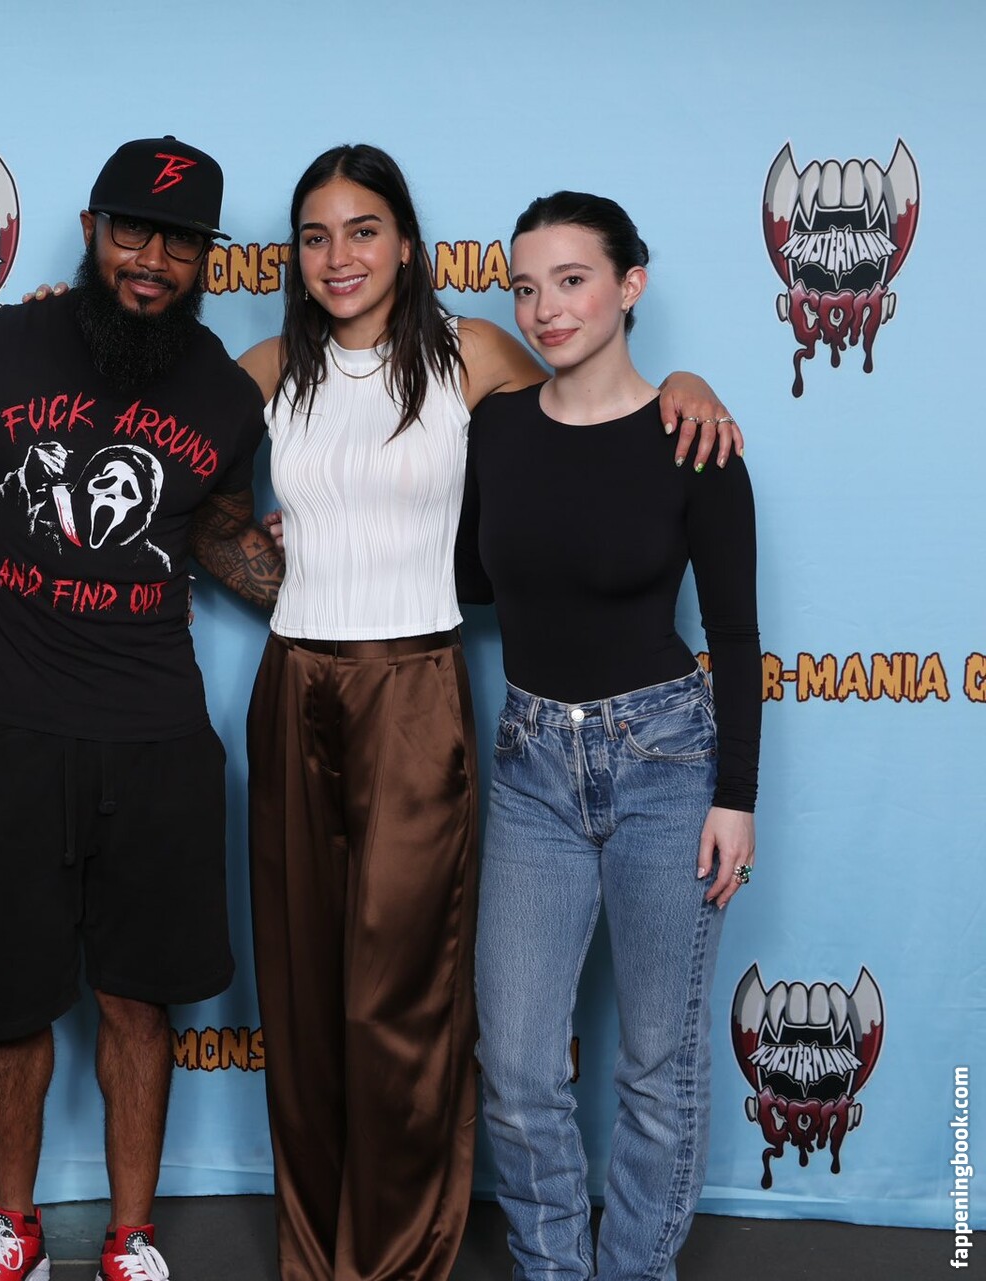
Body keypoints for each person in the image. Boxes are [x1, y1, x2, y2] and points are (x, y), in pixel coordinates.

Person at [236, 145, 740, 1281]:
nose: (339, 255)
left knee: (409, 1002)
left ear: (408, 243)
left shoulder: (475, 356)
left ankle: (413, 1251)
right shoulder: (272, 365)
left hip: (433, 691)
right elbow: (163, 453)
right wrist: (280, 558)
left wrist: (687, 382)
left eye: (364, 229)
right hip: (303, 685)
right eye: (315, 236)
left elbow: (591, 409)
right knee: (316, 1000)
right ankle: (329, 1249)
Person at [0, 135, 282, 1281]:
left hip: (159, 746)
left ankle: (132, 1234)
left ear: (205, 259)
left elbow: (226, 539)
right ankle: (13, 1225)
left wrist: (363, 574)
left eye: (180, 243)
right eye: (132, 231)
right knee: (9, 1008)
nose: (151, 260)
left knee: (137, 1005)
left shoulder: (223, 390)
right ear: (90, 230)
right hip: (16, 737)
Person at [460, 191, 758, 1281]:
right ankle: (553, 1269)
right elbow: (468, 579)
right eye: (526, 287)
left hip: (667, 763)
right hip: (531, 764)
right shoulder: (496, 429)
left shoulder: (695, 437)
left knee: (656, 1064)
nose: (546, 308)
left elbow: (735, 632)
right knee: (516, 1064)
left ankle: (633, 1270)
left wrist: (737, 797)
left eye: (573, 280)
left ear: (630, 287)